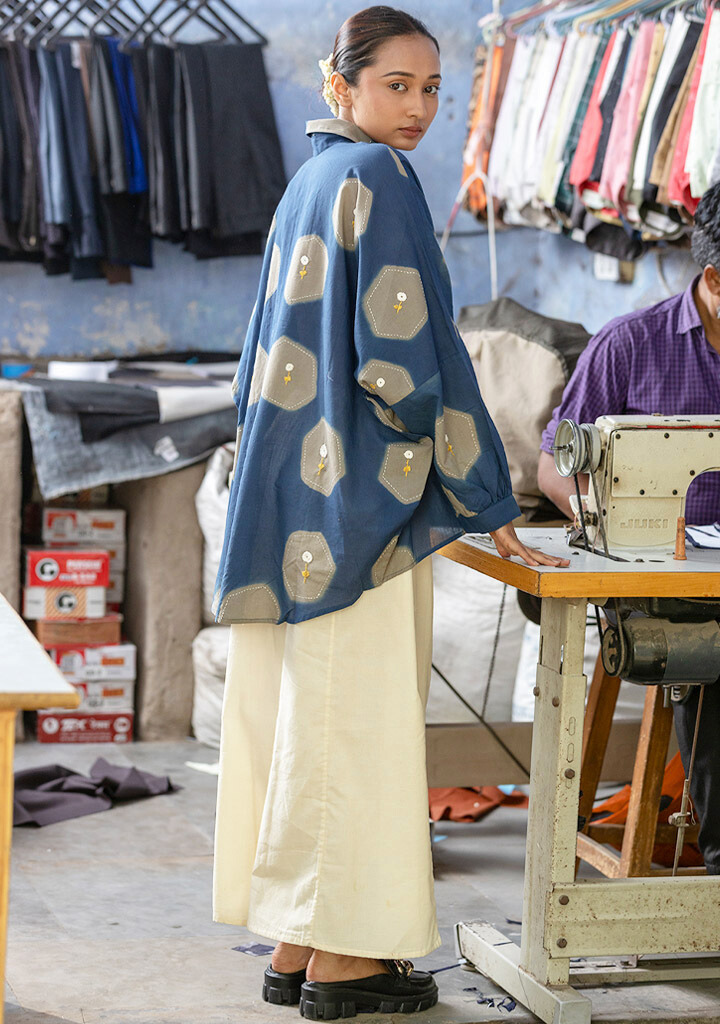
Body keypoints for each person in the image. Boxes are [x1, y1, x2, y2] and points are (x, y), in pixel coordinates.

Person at [211, 6, 569, 1020]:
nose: (416, 109)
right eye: (396, 86)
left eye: (430, 91)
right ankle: (344, 964)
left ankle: (298, 941)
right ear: (344, 85)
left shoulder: (312, 181)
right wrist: (488, 496)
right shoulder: (382, 180)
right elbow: (414, 365)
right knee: (353, 729)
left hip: (292, 497)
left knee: (304, 721)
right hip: (356, 508)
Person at [538, 179, 720, 876]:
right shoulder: (629, 347)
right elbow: (560, 465)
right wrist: (607, 528)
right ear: (712, 278)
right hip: (653, 575)